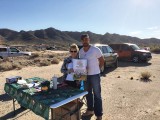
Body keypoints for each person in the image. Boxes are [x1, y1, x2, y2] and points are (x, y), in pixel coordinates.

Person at [79, 34, 104, 120]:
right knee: (88, 94)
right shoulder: (81, 51)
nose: (85, 41)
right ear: (81, 41)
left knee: (97, 95)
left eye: (86, 39)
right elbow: (80, 63)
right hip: (85, 76)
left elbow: (102, 60)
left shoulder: (95, 50)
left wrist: (98, 70)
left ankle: (99, 115)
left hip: (95, 75)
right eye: (83, 40)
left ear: (89, 40)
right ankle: (90, 110)